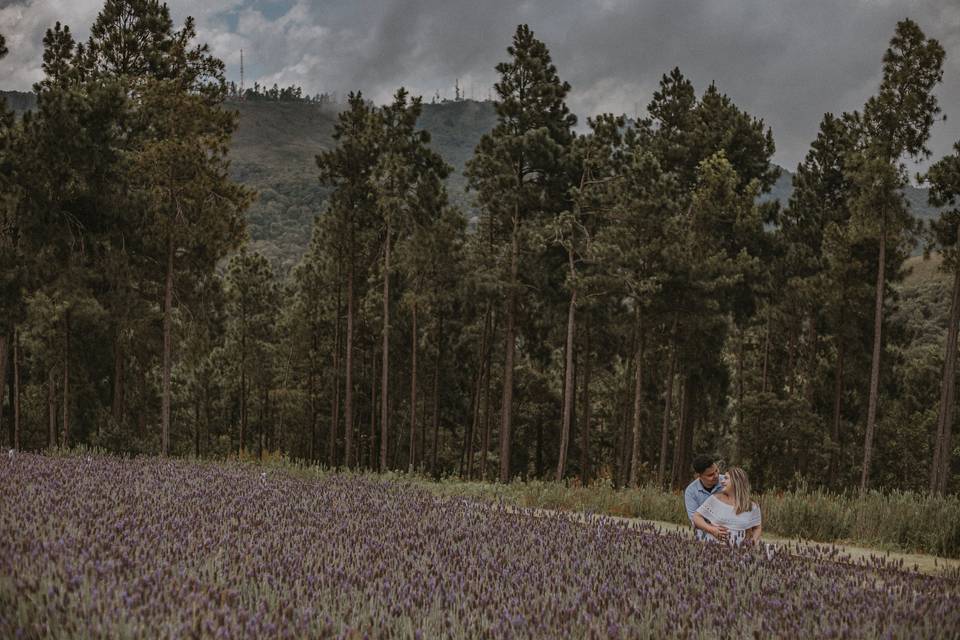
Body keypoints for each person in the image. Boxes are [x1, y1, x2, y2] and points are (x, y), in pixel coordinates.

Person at [692, 466, 762, 546]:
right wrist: (712, 530)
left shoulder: (752, 506)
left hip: (739, 553)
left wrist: (753, 540)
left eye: (726, 478)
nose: (722, 481)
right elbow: (696, 517)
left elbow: (757, 527)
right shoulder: (715, 499)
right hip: (714, 549)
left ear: (736, 481)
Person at [683, 454, 727, 541]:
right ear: (699, 476)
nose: (716, 476)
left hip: (727, 529)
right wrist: (713, 530)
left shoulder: (726, 482)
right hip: (704, 531)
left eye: (716, 470)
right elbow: (695, 520)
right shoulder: (691, 491)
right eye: (710, 475)